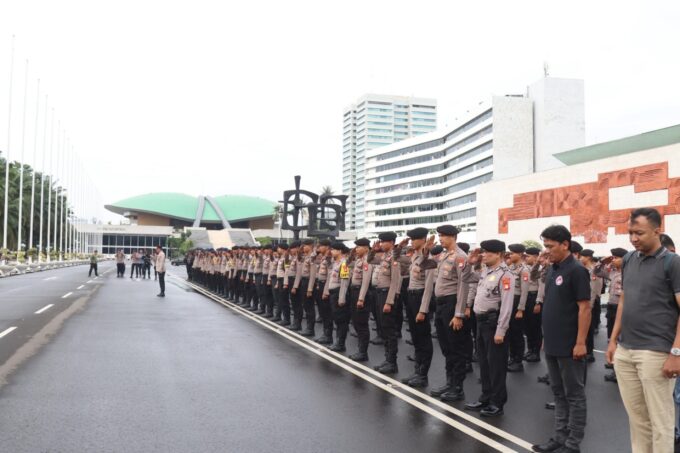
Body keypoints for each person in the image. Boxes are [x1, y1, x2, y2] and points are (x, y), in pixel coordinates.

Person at [606, 208, 680, 453]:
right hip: (626, 350)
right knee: (637, 419)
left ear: (657, 231)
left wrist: (676, 353)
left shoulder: (673, 263)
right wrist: (613, 340)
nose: (633, 238)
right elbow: (624, 301)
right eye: (630, 233)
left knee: (661, 421)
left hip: (656, 352)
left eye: (639, 233)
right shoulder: (628, 259)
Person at [532, 225, 591, 453]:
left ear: (565, 244)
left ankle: (573, 443)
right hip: (553, 342)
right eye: (545, 246)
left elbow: (584, 308)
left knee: (574, 395)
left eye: (550, 246)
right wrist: (545, 336)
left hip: (570, 344)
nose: (546, 251)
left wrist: (580, 342)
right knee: (557, 392)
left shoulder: (577, 270)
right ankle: (559, 437)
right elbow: (552, 304)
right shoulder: (553, 269)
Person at [463, 240, 514, 417]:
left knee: (496, 365)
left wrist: (501, 330)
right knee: (484, 363)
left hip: (493, 324)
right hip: (481, 322)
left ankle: (497, 403)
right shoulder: (485, 271)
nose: (483, 255)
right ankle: (486, 397)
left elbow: (507, 305)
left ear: (499, 254)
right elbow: (466, 278)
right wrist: (470, 263)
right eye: (483, 252)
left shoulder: (505, 275)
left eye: (487, 252)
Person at [428, 225, 470, 400]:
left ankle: (457, 387)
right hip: (441, 304)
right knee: (446, 347)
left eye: (443, 236)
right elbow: (425, 265)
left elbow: (463, 286)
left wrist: (458, 314)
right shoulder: (444, 255)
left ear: (453, 237)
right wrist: (426, 251)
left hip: (452, 304)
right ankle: (450, 382)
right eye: (439, 236)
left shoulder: (461, 257)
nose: (440, 239)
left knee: (456, 347)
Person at [398, 227, 435, 388]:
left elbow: (428, 287)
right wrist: (399, 247)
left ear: (423, 240)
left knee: (423, 338)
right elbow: (399, 263)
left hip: (421, 299)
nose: (412, 242)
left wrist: (423, 310)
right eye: (411, 239)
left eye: (415, 239)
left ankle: (423, 374)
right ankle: (417, 371)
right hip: (412, 297)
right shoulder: (415, 257)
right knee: (416, 337)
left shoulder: (429, 259)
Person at [368, 232, 402, 374]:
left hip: (387, 294)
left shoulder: (395, 257)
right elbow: (370, 260)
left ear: (392, 242)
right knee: (383, 328)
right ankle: (388, 359)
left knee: (389, 329)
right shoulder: (384, 256)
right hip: (380, 293)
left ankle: (392, 362)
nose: (381, 244)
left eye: (384, 242)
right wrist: (373, 250)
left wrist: (389, 302)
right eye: (381, 242)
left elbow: (395, 281)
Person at [594, 247, 627, 383]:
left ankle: (619, 371)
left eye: (616, 258)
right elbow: (596, 272)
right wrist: (602, 261)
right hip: (612, 307)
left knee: (621, 339)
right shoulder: (612, 273)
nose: (613, 260)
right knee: (611, 337)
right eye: (612, 258)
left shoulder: (628, 273)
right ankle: (614, 364)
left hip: (623, 309)